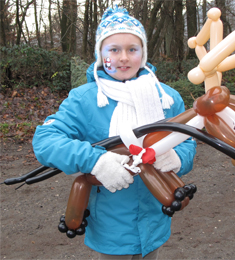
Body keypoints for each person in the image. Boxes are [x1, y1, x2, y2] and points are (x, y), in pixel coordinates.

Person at [32, 6, 197, 260]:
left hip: (155, 219)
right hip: (110, 226)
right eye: (114, 50)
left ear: (143, 54)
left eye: (132, 49)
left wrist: (178, 158)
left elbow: (186, 138)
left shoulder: (165, 97)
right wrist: (96, 161)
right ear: (101, 54)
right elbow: (45, 140)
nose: (123, 58)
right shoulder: (84, 99)